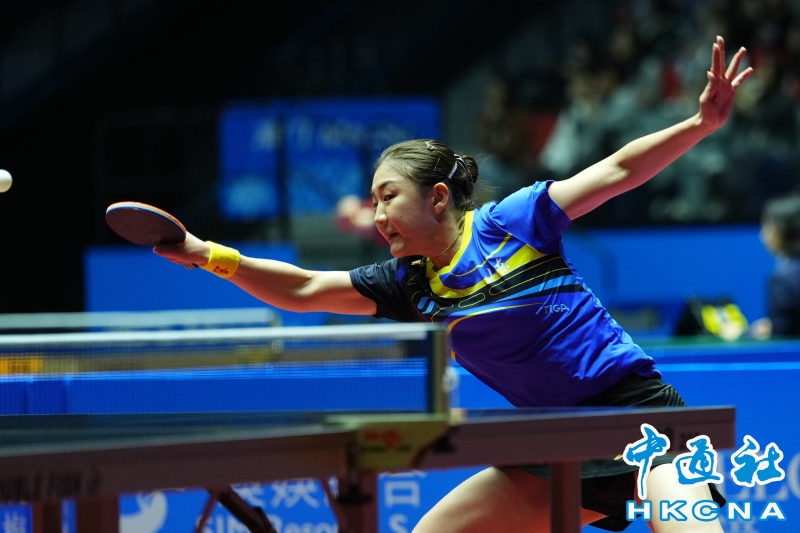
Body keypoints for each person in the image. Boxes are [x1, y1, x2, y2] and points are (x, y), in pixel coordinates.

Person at [155, 37, 752, 533]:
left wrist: (699, 124)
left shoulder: (512, 223)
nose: (378, 215)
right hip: (555, 439)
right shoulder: (407, 283)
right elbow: (307, 289)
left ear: (437, 197)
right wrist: (208, 255)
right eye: (373, 203)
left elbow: (617, 170)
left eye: (388, 197)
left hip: (642, 420)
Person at [751, 194, 800, 339]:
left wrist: (751, 333)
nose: (762, 235)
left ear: (781, 231)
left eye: (767, 227)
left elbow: (781, 336)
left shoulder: (782, 280)